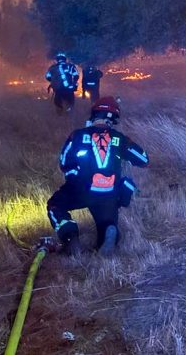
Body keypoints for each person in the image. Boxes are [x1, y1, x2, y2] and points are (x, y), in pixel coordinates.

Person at [47, 96, 149, 255]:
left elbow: (64, 161)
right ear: (114, 119)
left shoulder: (78, 136)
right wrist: (125, 144)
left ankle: (70, 237)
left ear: (94, 114)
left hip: (80, 189)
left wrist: (73, 177)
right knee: (106, 224)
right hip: (108, 193)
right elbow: (143, 160)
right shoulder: (119, 139)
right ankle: (109, 230)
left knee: (55, 205)